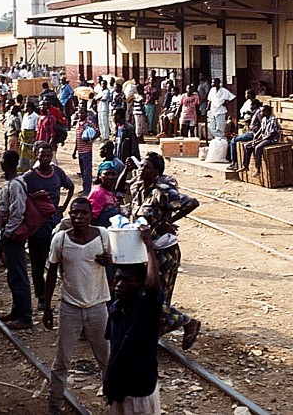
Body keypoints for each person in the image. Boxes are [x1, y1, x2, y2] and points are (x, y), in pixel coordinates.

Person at [118, 152, 201, 350]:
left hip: (164, 252)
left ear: (156, 172)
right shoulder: (137, 187)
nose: (142, 170)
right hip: (145, 250)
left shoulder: (162, 192)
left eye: (147, 167)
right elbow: (120, 192)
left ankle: (188, 323)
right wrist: (127, 169)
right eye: (141, 166)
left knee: (154, 297)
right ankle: (150, 336)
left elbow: (192, 203)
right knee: (148, 295)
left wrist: (168, 222)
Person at [43, 197, 112, 415]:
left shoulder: (103, 236)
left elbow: (119, 262)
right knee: (62, 361)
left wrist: (109, 261)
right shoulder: (61, 239)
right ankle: (53, 405)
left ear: (92, 216)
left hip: (98, 306)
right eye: (74, 213)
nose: (78, 217)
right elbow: (52, 272)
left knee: (106, 361)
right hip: (69, 308)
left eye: (83, 213)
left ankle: (113, 403)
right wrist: (47, 306)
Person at [102, 225, 163, 413]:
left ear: (139, 285)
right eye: (117, 279)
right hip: (119, 387)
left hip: (139, 389)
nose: (119, 285)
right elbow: (114, 350)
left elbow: (154, 287)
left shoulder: (145, 308)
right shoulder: (115, 308)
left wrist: (148, 245)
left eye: (127, 281)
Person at [22, 141, 75, 311]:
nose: (45, 158)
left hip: (55, 225)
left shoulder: (57, 172)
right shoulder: (29, 177)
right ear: (35, 155)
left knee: (60, 261)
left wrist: (64, 206)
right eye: (41, 155)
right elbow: (19, 195)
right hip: (37, 227)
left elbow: (71, 186)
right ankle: (41, 297)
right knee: (38, 264)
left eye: (47, 155)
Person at [0, 150, 33, 330]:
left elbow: (17, 214)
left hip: (14, 237)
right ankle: (16, 311)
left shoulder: (15, 185)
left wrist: (5, 236)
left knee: (18, 276)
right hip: (10, 235)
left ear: (6, 163)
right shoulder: (10, 184)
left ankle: (25, 316)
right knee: (13, 275)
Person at [240, 104, 280, 177]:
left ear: (267, 112)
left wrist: (258, 141)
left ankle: (258, 169)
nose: (261, 113)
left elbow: (270, 135)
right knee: (247, 145)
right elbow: (261, 131)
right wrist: (254, 139)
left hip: (271, 139)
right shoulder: (264, 119)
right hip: (264, 138)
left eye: (262, 112)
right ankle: (245, 166)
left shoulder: (273, 120)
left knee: (258, 147)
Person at [227, 99, 262, 170]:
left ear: (255, 105)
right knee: (235, 139)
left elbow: (262, 125)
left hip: (253, 134)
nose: (250, 106)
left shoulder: (258, 112)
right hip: (252, 132)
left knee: (233, 140)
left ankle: (234, 162)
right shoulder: (255, 112)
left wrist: (257, 135)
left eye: (251, 105)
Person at [73, 105, 99, 195]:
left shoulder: (88, 123)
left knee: (87, 171)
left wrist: (90, 138)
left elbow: (97, 132)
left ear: (86, 114)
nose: (80, 114)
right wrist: (74, 151)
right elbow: (77, 138)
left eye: (82, 113)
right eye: (79, 112)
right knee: (83, 171)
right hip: (80, 151)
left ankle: (87, 189)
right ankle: (85, 188)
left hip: (86, 150)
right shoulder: (78, 123)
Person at [89, 160, 122, 228]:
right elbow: (91, 218)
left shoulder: (110, 191)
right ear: (99, 176)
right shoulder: (98, 192)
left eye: (113, 174)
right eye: (107, 174)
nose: (110, 177)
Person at [18, 101, 39, 172]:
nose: (24, 108)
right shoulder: (25, 115)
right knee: (23, 155)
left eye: (26, 107)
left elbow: (36, 129)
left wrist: (34, 139)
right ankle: (23, 169)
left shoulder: (35, 116)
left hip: (30, 139)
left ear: (30, 108)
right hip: (24, 139)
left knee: (31, 156)